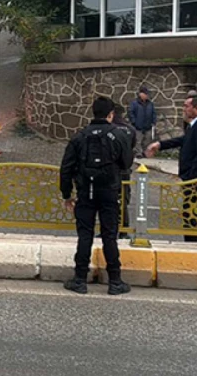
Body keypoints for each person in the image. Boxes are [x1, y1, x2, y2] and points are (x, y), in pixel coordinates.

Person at [60, 96, 132, 295]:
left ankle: (80, 279)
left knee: (85, 235)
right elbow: (126, 163)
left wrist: (67, 194)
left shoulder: (79, 137)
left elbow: (65, 168)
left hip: (86, 192)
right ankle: (115, 281)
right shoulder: (119, 136)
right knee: (110, 235)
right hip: (110, 192)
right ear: (111, 115)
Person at [146, 95, 197, 242]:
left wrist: (189, 176)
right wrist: (160, 145)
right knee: (196, 211)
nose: (184, 109)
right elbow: (185, 140)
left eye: (187, 106)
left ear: (196, 108)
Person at [112, 104, 136, 237]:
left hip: (111, 169)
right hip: (125, 170)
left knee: (108, 200)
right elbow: (132, 146)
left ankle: (110, 229)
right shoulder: (130, 130)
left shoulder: (110, 129)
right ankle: (124, 230)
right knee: (124, 200)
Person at [128, 86, 156, 158]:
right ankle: (138, 153)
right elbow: (131, 113)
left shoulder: (150, 104)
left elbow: (153, 113)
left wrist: (154, 121)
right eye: (145, 94)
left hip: (148, 125)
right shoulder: (134, 103)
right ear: (141, 94)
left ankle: (145, 153)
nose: (147, 96)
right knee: (138, 140)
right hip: (138, 125)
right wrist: (134, 122)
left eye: (147, 94)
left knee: (147, 140)